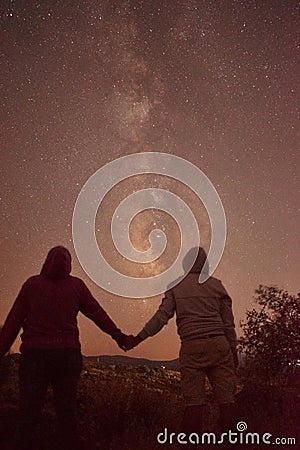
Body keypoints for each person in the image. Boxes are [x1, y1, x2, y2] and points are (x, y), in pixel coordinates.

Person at [0, 246, 131, 450]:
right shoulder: (76, 286)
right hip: (67, 356)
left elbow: (13, 321)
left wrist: (1, 350)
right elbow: (97, 313)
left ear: (46, 261)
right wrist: (118, 335)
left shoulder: (32, 285)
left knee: (28, 413)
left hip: (35, 356)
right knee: (67, 412)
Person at [126, 247, 238, 439]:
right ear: (206, 265)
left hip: (192, 346)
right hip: (219, 344)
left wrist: (139, 338)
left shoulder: (176, 287)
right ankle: (234, 442)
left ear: (185, 264)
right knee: (227, 401)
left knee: (193, 403)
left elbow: (161, 318)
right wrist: (233, 350)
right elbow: (228, 324)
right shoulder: (217, 286)